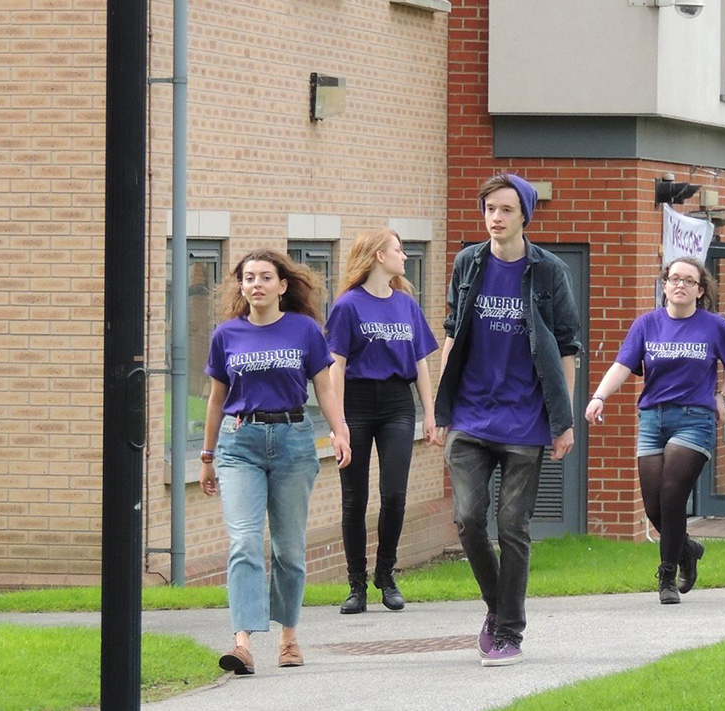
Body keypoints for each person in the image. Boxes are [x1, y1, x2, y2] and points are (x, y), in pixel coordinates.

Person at [435, 173, 581, 666]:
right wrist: (440, 405)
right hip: (471, 417)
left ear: (524, 216)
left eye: (506, 210)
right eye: (489, 209)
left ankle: (508, 632)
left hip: (526, 419)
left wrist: (563, 420)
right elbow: (453, 331)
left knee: (513, 527)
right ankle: (498, 610)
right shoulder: (467, 262)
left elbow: (566, 348)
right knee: (470, 519)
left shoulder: (549, 271)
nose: (495, 218)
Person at [198, 249, 352, 676]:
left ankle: (288, 636)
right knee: (244, 542)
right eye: (249, 278)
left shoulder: (305, 330)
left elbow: (324, 387)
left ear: (282, 286)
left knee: (288, 548)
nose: (257, 284)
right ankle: (243, 643)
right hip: (238, 444)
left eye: (266, 277)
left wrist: (339, 430)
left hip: (292, 441)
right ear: (241, 286)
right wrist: (207, 456)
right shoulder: (226, 334)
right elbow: (215, 400)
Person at [585, 256, 725, 605]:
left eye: (689, 281)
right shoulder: (647, 324)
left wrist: (722, 395)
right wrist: (599, 395)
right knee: (654, 506)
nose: (680, 285)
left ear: (699, 291)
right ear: (664, 285)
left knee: (673, 494)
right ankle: (687, 547)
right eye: (674, 278)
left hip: (694, 418)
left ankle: (667, 576)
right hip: (652, 419)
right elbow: (622, 365)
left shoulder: (713, 326)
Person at [326, 228, 439, 614]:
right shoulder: (347, 306)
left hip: (396, 403)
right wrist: (337, 421)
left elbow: (421, 362)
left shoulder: (406, 305)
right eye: (398, 250)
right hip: (356, 403)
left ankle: (385, 575)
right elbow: (335, 367)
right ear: (377, 256)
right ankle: (356, 585)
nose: (404, 257)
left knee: (394, 493)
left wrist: (429, 413)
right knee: (354, 499)